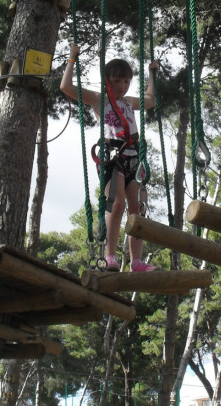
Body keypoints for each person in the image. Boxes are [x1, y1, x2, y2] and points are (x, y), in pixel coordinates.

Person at [61, 44, 160, 272]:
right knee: (116, 204)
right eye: (117, 81)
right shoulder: (99, 99)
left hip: (133, 157)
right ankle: (110, 257)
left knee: (138, 208)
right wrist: (72, 58)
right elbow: (66, 87)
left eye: (126, 81)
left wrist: (152, 74)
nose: (122, 86)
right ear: (107, 80)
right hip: (112, 157)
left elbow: (150, 100)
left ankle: (136, 261)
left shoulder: (129, 102)